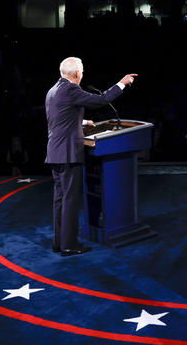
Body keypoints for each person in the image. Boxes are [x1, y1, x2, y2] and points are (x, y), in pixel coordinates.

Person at [45, 57, 137, 256]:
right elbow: (102, 100)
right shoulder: (71, 90)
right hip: (68, 153)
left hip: (55, 152)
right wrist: (122, 83)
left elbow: (59, 119)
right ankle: (69, 246)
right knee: (69, 201)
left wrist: (83, 122)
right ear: (77, 74)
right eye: (83, 71)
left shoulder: (53, 91)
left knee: (60, 200)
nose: (83, 74)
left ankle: (59, 242)